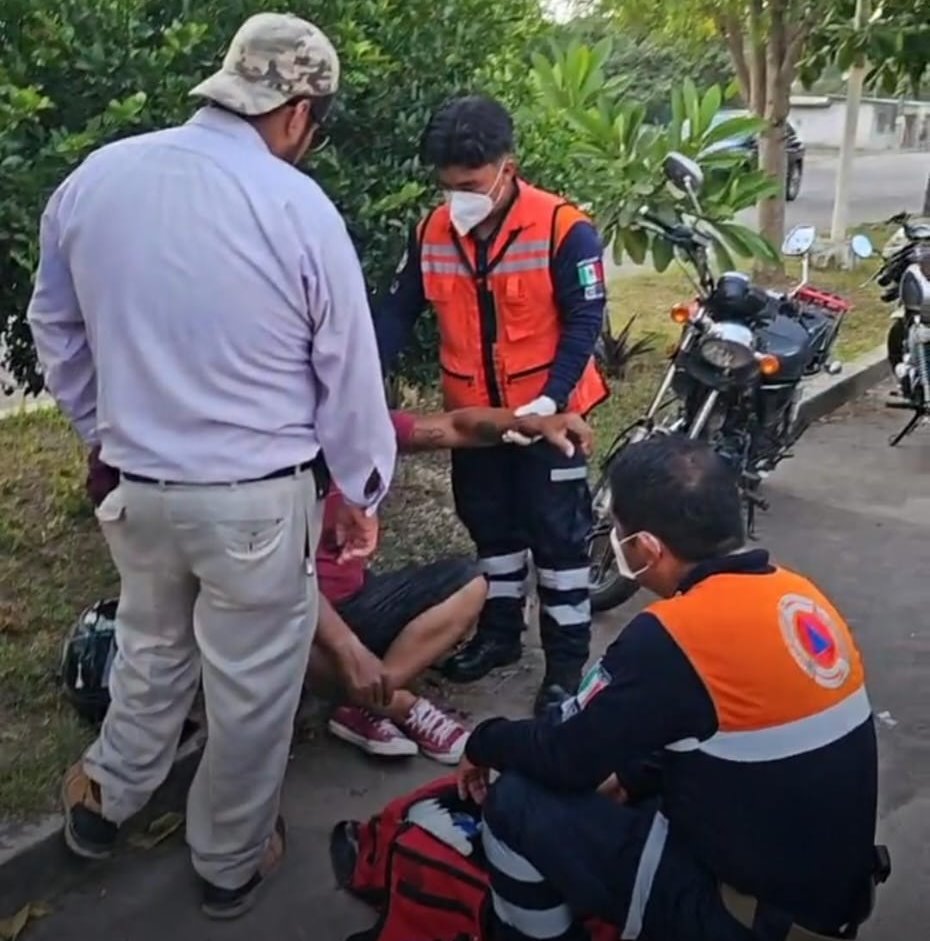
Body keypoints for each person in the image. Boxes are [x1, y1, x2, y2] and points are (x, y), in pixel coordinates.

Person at [27, 12, 396, 920]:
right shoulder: (294, 204)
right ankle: (229, 860)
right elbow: (347, 366)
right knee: (251, 689)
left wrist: (102, 431)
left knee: (152, 649)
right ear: (300, 110)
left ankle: (104, 803)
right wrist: (358, 484)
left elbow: (53, 328)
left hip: (140, 495)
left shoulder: (98, 177)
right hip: (255, 506)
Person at [458, 435, 883, 941]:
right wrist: (635, 776)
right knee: (631, 777)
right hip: (824, 906)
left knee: (517, 801)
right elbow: (732, 735)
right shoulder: (799, 595)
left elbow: (563, 757)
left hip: (741, 919)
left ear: (647, 548)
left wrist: (484, 739)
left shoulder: (675, 635)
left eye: (618, 533)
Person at [375, 94, 610, 716]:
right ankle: (500, 636)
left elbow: (586, 319)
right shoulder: (431, 230)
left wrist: (550, 399)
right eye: (448, 186)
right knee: (492, 531)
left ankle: (565, 665)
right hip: (475, 420)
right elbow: (399, 312)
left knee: (559, 543)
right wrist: (360, 374)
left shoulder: (563, 228)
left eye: (471, 184)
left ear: (508, 165)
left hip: (552, 419)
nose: (459, 198)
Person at [310, 407, 594, 765]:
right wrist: (347, 646)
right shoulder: (263, 458)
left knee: (469, 583)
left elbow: (454, 425)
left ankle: (365, 700)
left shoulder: (357, 425)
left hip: (358, 598)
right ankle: (397, 705)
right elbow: (279, 585)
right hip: (297, 614)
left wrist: (530, 423)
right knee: (278, 626)